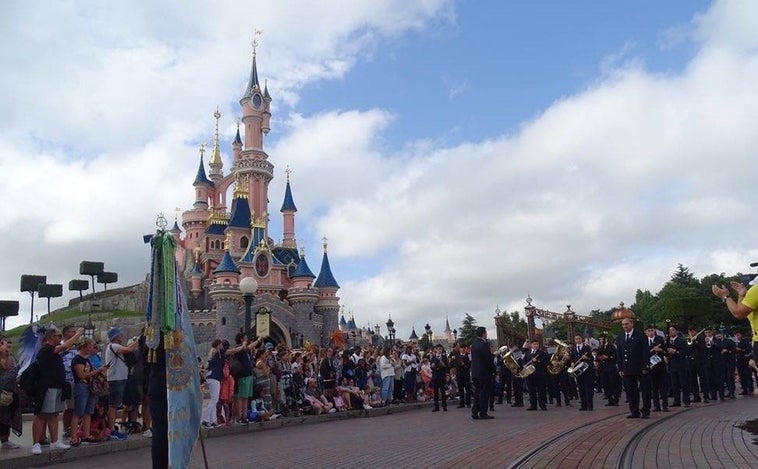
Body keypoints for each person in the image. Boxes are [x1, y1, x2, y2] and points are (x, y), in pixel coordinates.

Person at [31, 326, 83, 455]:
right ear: (50, 337)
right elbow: (64, 347)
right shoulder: (46, 349)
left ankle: (55, 441)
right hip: (46, 387)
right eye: (58, 336)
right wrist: (78, 334)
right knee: (42, 415)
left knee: (54, 414)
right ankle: (36, 443)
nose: (60, 338)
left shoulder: (53, 351)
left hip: (56, 386)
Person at [713, 277, 758, 370]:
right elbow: (744, 312)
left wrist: (726, 296)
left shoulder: (756, 289)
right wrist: (741, 295)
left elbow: (738, 313)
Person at [68, 338, 106, 445]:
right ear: (83, 347)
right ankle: (73, 436)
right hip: (81, 386)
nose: (91, 349)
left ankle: (86, 434)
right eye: (89, 347)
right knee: (78, 412)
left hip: (90, 386)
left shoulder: (87, 359)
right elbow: (82, 375)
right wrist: (97, 371)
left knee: (88, 412)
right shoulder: (77, 360)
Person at [104, 327, 139, 439]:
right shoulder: (114, 346)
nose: (122, 336)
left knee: (116, 404)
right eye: (120, 334)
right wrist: (138, 340)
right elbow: (129, 350)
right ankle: (112, 430)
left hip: (119, 378)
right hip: (116, 378)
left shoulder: (113, 346)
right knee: (113, 405)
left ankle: (112, 428)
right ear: (115, 336)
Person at [617, 318, 651, 418]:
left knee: (645, 390)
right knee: (631, 391)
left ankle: (646, 411)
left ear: (632, 324)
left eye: (626, 324)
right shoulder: (620, 337)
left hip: (640, 367)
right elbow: (619, 354)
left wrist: (646, 366)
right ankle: (634, 411)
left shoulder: (640, 335)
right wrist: (620, 368)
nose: (624, 326)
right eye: (623, 325)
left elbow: (646, 352)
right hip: (627, 368)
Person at [0, 334, 22, 449]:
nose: (7, 345)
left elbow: (11, 367)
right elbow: (5, 367)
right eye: (4, 343)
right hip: (1, 389)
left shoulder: (10, 356)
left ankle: (5, 440)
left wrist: (7, 353)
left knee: (7, 415)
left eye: (9, 342)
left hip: (10, 390)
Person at [470, 326, 495, 420]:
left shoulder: (474, 343)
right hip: (484, 373)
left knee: (477, 393)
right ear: (483, 333)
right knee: (484, 393)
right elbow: (488, 359)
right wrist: (493, 369)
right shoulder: (484, 344)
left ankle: (474, 411)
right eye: (486, 332)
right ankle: (483, 413)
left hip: (475, 372)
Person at [666, 324, 690, 408]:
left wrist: (676, 351)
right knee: (674, 384)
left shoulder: (681, 340)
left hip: (681, 364)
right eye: (669, 330)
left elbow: (686, 352)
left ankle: (686, 401)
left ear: (676, 331)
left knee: (684, 383)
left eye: (672, 330)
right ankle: (677, 401)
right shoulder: (667, 341)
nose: (670, 332)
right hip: (672, 365)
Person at [644, 325, 668, 412]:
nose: (650, 332)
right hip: (651, 367)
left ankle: (665, 405)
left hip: (660, 366)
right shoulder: (644, 341)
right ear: (645, 332)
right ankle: (656, 406)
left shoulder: (660, 340)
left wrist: (660, 350)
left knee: (662, 387)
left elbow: (666, 351)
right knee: (653, 387)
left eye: (652, 330)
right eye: (648, 331)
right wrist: (652, 350)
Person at [570, 335, 594, 411]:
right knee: (581, 388)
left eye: (579, 339)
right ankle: (583, 405)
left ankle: (590, 406)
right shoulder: (573, 348)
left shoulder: (587, 347)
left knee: (588, 388)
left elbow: (592, 358)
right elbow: (572, 358)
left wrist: (586, 358)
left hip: (587, 370)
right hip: (578, 372)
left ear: (582, 339)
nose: (578, 340)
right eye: (576, 339)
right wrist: (572, 363)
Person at [524, 340, 548, 411]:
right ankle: (533, 405)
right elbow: (524, 361)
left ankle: (542, 405)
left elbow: (545, 362)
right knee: (531, 391)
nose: (536, 346)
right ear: (531, 345)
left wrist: (537, 361)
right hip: (530, 374)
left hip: (539, 375)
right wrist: (524, 365)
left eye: (537, 344)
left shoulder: (542, 353)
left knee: (541, 390)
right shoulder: (527, 353)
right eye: (534, 344)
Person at [430, 344, 449, 412]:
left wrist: (447, 375)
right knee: (435, 392)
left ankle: (444, 406)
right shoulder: (433, 357)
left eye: (440, 349)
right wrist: (432, 365)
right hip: (435, 376)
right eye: (438, 349)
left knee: (443, 392)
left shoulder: (444, 357)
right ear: (436, 350)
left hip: (441, 376)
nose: (439, 350)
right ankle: (436, 407)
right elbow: (431, 366)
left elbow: (446, 367)